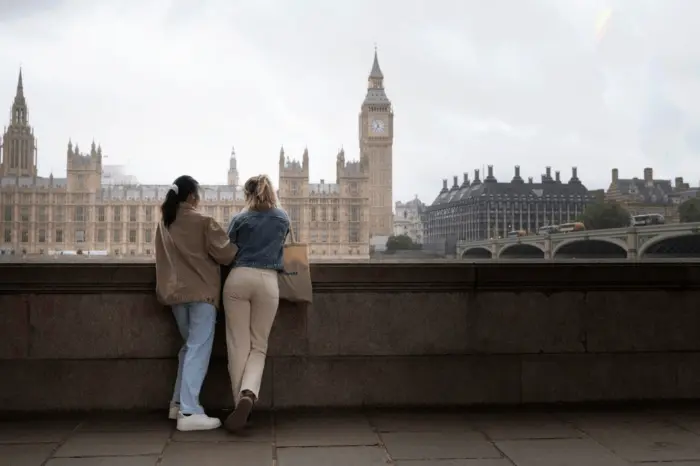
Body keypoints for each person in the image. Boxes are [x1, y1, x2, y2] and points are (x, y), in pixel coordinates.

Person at [155, 175, 238, 432]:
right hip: (201, 294)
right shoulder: (203, 222)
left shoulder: (164, 223)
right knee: (198, 349)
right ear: (192, 196)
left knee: (189, 348)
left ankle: (177, 403)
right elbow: (227, 254)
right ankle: (190, 412)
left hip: (175, 294)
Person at [222, 174, 289, 432]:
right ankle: (248, 394)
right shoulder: (282, 218)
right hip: (268, 282)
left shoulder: (239, 218)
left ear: (247, 194)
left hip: (238, 279)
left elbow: (228, 251)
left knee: (237, 346)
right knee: (259, 346)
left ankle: (239, 404)